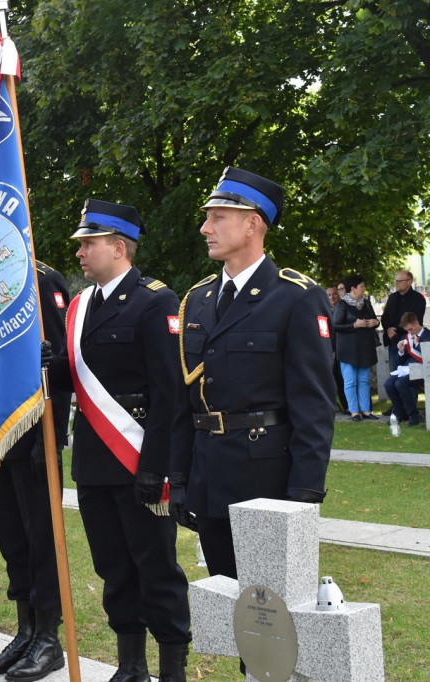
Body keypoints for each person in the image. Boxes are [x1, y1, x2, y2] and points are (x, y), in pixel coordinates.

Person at [47, 200, 191, 682]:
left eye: (89, 244)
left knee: (156, 569)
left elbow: (169, 390)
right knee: (113, 567)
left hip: (137, 458)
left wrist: (157, 465)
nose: (81, 253)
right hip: (94, 459)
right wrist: (51, 363)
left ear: (120, 247)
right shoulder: (81, 305)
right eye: (81, 245)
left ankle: (172, 666)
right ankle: (131, 664)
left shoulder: (156, 300)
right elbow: (80, 378)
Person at [170, 167, 335, 583]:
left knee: (273, 611)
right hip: (210, 473)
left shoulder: (295, 296)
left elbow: (314, 404)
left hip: (267, 477)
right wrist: (180, 476)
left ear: (253, 223)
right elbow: (186, 398)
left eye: (217, 217)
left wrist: (305, 492)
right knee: (231, 607)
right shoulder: (199, 298)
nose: (205, 227)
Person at [0, 261, 72, 679]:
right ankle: (26, 630)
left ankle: (48, 636)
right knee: (12, 538)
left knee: (41, 538)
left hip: (31, 433)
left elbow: (58, 360)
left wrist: (53, 437)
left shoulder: (40, 278)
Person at [334, 275, 380, 421]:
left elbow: (375, 319)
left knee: (364, 380)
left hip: (365, 348)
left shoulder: (366, 303)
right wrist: (354, 325)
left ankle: (366, 410)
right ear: (353, 289)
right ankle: (354, 411)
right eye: (362, 286)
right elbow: (335, 326)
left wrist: (375, 322)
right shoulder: (342, 304)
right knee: (350, 381)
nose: (364, 288)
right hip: (348, 350)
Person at [384, 312, 429, 426]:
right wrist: (401, 351)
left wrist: (417, 345)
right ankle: (400, 414)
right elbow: (400, 361)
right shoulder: (405, 337)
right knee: (388, 384)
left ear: (416, 323)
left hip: (424, 369)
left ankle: (414, 415)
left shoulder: (427, 335)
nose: (410, 332)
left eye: (411, 329)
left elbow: (428, 356)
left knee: (400, 384)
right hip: (407, 369)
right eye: (407, 330)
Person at [380, 271, 426, 373]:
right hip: (393, 340)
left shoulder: (418, 298)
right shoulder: (392, 297)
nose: (397, 283)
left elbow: (415, 320)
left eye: (400, 281)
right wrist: (388, 329)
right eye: (396, 281)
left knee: (410, 376)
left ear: (409, 282)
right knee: (394, 372)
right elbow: (385, 317)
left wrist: (395, 330)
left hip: (410, 340)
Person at [325, 286, 349, 413]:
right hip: (330, 350)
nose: (332, 297)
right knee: (332, 379)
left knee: (343, 379)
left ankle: (347, 406)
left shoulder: (343, 307)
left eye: (334, 294)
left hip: (344, 348)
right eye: (329, 295)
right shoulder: (323, 311)